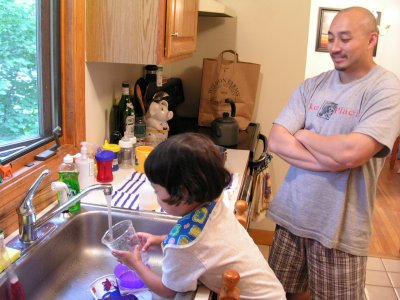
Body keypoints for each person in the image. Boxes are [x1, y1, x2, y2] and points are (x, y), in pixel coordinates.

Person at [267, 6, 400, 300]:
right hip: (291, 215)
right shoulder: (312, 85)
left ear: (371, 40)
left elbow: (353, 153)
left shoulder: (386, 89)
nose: (335, 48)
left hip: (339, 229)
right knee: (283, 294)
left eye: (345, 38)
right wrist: (333, 160)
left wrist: (304, 135)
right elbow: (276, 140)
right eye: (331, 38)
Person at [112, 133, 286, 299]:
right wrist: (160, 240)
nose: (155, 194)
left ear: (183, 193)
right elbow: (204, 245)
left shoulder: (182, 248)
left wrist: (135, 264)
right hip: (273, 292)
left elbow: (167, 291)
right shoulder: (213, 205)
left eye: (157, 190)